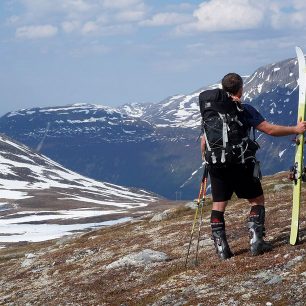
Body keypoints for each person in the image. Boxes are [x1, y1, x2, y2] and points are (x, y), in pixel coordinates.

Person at [200, 73, 306, 260]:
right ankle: (256, 242)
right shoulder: (244, 109)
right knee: (257, 200)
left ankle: (222, 249)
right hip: (241, 164)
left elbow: (203, 142)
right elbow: (269, 129)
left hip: (216, 165)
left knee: (218, 206)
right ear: (240, 89)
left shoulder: (211, 112)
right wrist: (295, 129)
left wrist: (209, 161)